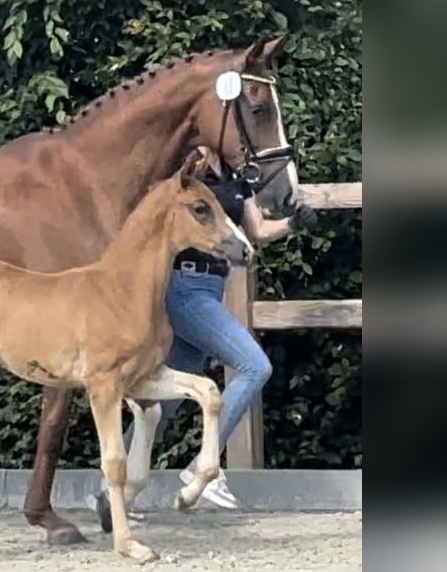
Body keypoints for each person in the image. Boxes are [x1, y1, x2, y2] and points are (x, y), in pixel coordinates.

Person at [86, 146, 317, 518]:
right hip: (184, 286)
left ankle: (108, 491)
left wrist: (294, 224)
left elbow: (255, 231)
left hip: (212, 288)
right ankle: (202, 467)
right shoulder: (184, 178)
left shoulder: (238, 180)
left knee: (162, 402)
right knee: (256, 367)